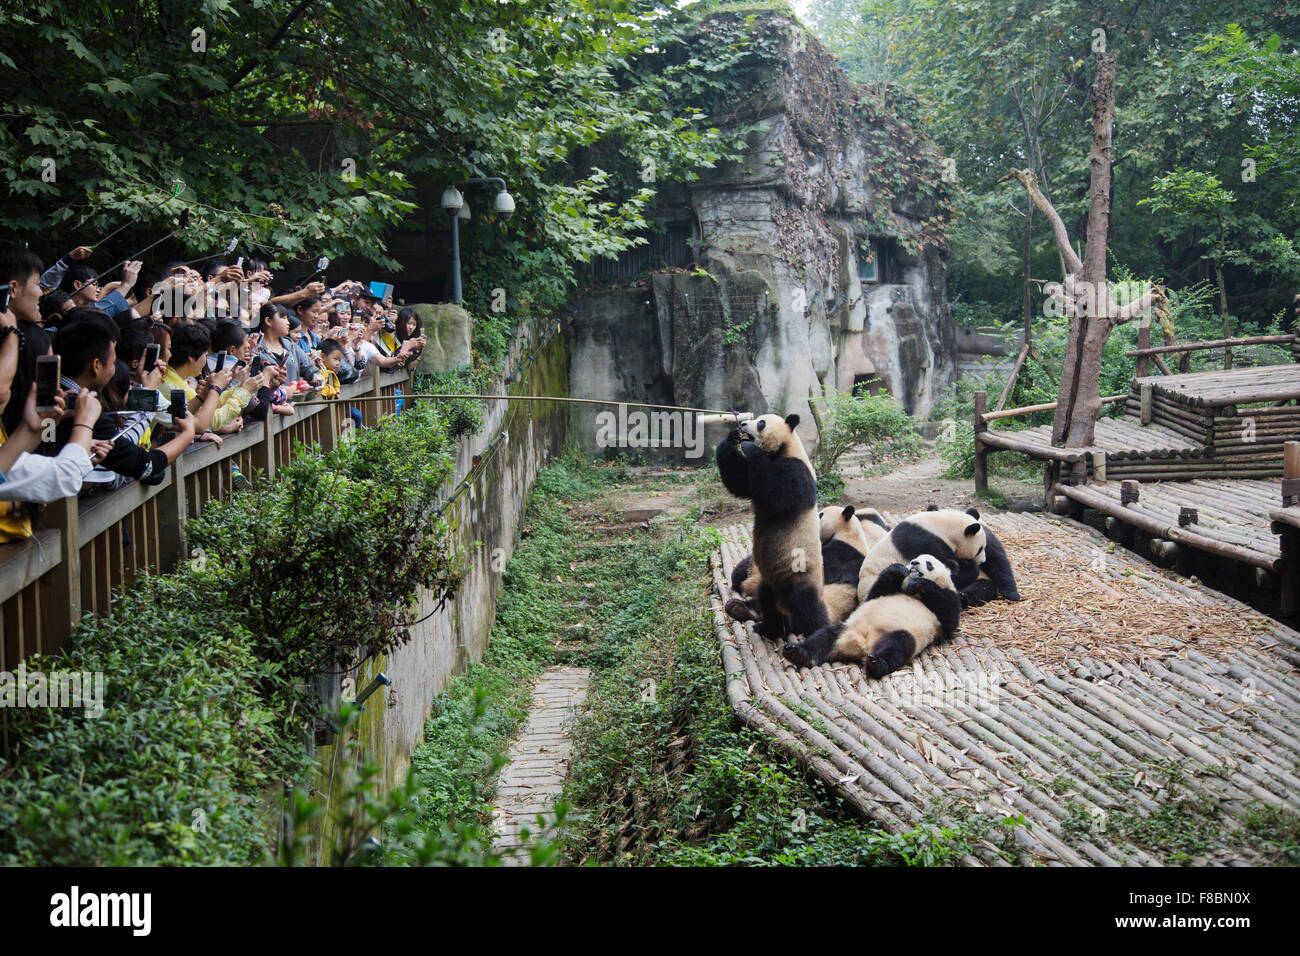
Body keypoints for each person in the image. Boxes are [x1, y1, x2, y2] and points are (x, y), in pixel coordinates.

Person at [47, 309, 195, 487]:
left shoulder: (51, 397)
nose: (115, 368)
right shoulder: (80, 411)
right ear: (96, 366)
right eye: (113, 361)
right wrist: (187, 434)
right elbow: (142, 464)